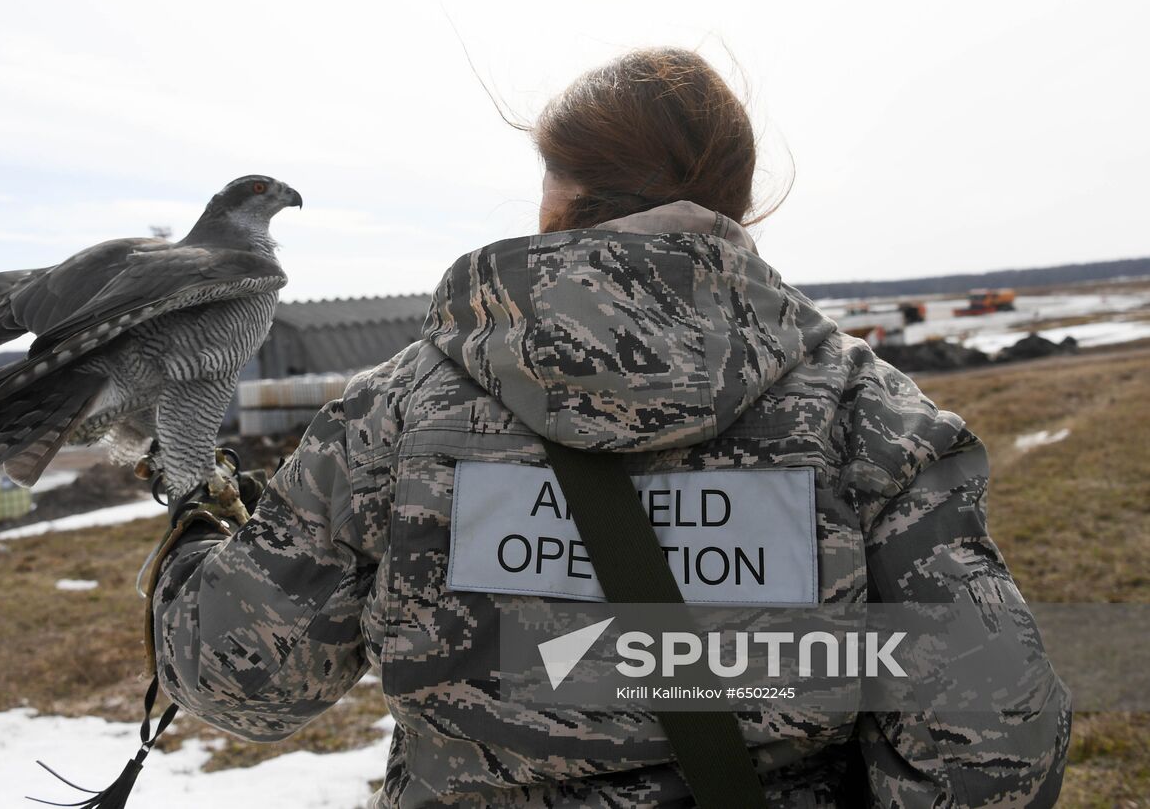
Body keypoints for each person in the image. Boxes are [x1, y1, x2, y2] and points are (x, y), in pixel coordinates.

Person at [148, 48, 1072, 806]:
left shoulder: (394, 408)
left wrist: (195, 528)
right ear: (736, 205)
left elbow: (246, 680)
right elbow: (992, 743)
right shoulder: (870, 416)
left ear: (559, 194)